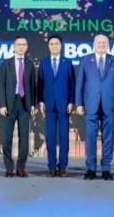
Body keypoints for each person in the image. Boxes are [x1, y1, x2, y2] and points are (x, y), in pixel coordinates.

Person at [75, 34, 114, 181]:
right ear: (94, 44)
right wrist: (79, 103)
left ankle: (106, 169)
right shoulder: (85, 60)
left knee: (108, 138)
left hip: (110, 105)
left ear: (108, 45)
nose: (101, 44)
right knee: (90, 138)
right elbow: (79, 84)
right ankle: (91, 168)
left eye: (104, 42)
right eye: (99, 42)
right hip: (90, 104)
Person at [0, 36, 36, 177]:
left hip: (25, 104)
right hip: (9, 104)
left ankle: (21, 168)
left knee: (24, 138)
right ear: (14, 46)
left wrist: (33, 104)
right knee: (6, 137)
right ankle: (9, 167)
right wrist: (2, 104)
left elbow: (33, 86)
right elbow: (1, 86)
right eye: (19, 44)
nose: (21, 47)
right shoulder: (6, 64)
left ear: (27, 47)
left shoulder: (30, 64)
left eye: (24, 44)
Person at [37, 35, 75, 177]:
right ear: (48, 46)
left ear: (61, 46)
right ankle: (51, 167)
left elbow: (72, 84)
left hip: (64, 105)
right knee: (50, 137)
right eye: (51, 44)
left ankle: (63, 166)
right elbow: (40, 84)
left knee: (64, 137)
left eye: (57, 44)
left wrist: (71, 102)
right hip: (48, 105)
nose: (54, 46)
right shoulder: (44, 63)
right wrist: (41, 101)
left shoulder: (67, 63)